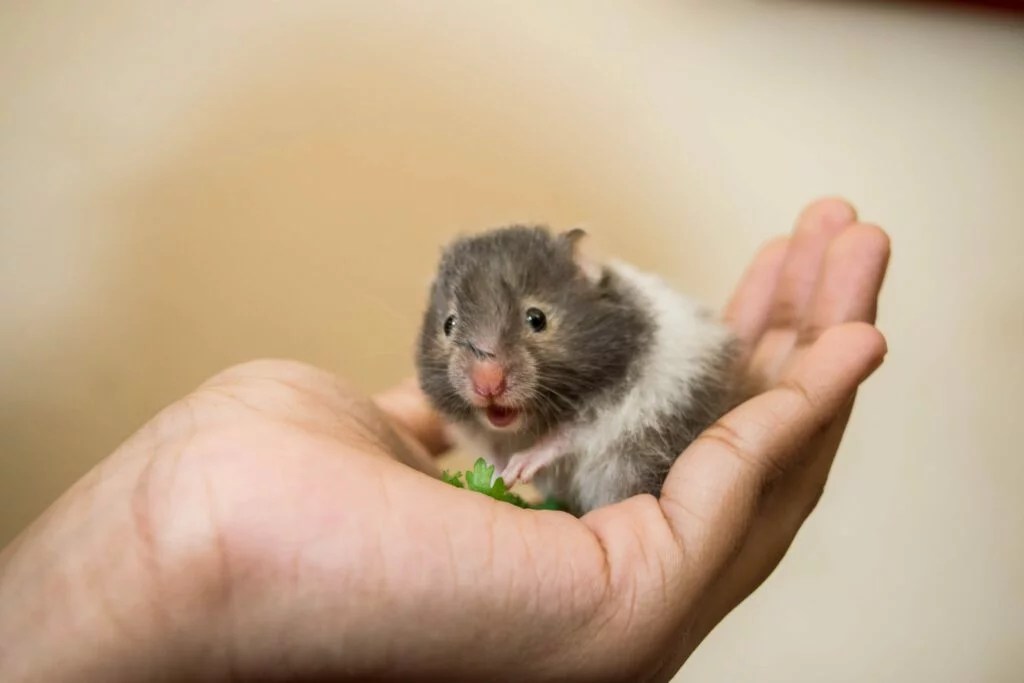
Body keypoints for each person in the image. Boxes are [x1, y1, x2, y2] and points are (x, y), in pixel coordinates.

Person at [0, 198, 889, 682]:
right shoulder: (463, 375)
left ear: (583, 285)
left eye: (533, 323)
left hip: (635, 420)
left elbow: (612, 388)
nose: (486, 374)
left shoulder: (632, 333)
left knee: (622, 456)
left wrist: (566, 441)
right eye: (459, 331)